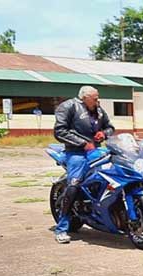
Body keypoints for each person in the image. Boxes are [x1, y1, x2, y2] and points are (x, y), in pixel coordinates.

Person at [52, 86, 115, 244]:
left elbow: (110, 127)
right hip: (76, 152)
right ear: (85, 97)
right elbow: (60, 131)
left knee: (114, 172)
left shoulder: (98, 110)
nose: (97, 100)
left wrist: (104, 133)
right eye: (95, 98)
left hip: (96, 150)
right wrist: (82, 143)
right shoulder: (68, 107)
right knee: (74, 184)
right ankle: (62, 228)